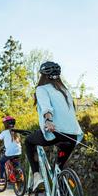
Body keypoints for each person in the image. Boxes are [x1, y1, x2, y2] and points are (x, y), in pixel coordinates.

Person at [25, 61, 83, 189]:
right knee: (59, 169)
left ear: (42, 76)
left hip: (56, 131)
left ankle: (36, 176)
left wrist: (48, 121)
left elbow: (46, 107)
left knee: (29, 141)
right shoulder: (65, 90)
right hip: (73, 135)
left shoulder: (41, 89)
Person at [0, 116, 22, 182]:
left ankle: (1, 178)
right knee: (16, 164)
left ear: (5, 124)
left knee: (2, 161)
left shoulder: (4, 132)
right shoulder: (17, 132)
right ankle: (20, 175)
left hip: (9, 152)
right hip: (18, 151)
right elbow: (12, 143)